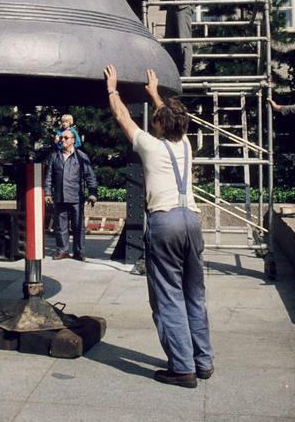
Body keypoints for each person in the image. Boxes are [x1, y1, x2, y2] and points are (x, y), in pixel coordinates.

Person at [104, 63, 214, 388]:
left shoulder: (150, 147)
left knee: (167, 296)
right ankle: (202, 361)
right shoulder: (186, 147)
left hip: (165, 222)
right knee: (194, 294)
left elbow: (123, 117)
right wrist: (155, 94)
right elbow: (172, 118)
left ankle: (182, 368)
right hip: (191, 221)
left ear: (160, 124)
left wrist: (112, 89)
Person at [44, 128, 98, 261]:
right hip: (60, 196)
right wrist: (47, 192)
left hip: (76, 197)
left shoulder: (81, 156)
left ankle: (79, 252)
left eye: (66, 138)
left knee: (78, 225)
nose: (62, 140)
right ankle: (62, 251)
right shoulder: (54, 156)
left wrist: (93, 193)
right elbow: (49, 176)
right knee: (60, 226)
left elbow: (90, 176)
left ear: (73, 140)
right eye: (61, 138)